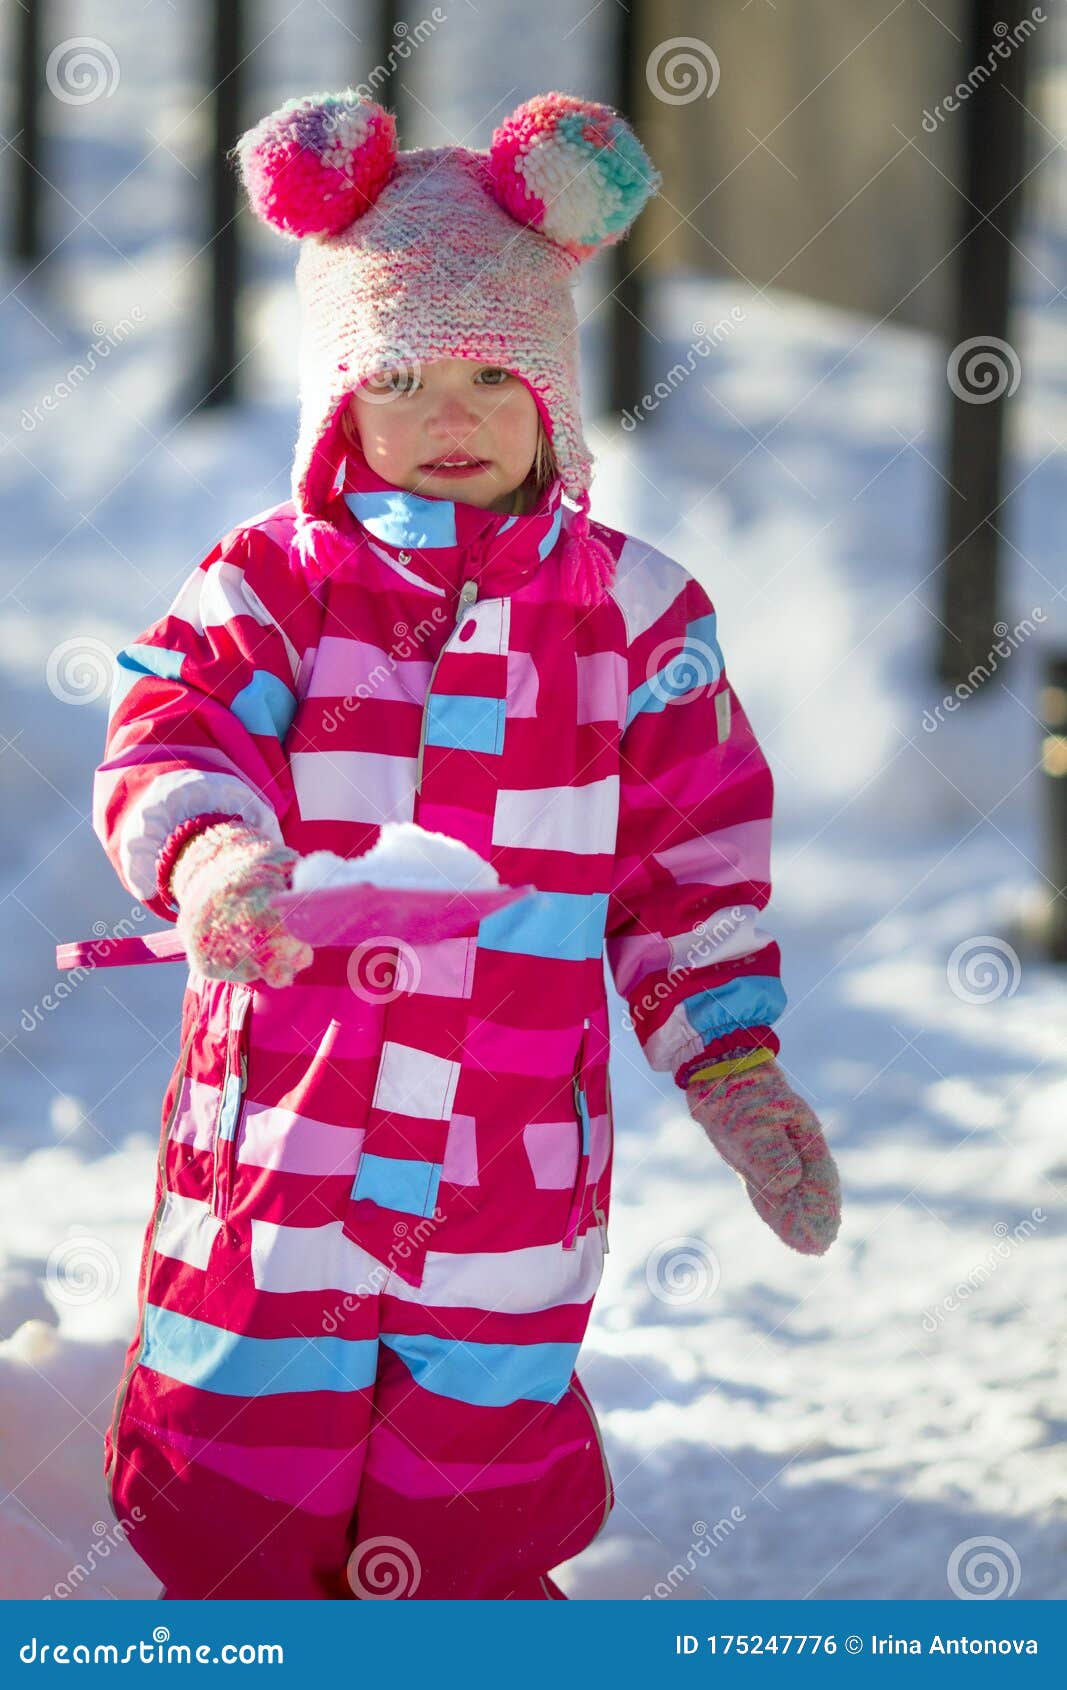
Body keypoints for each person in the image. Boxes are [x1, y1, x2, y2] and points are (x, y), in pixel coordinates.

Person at [87, 90, 841, 1601]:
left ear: (553, 394)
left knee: (472, 1475)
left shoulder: (638, 621)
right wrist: (217, 861)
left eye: (494, 375)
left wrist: (733, 1064)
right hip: (280, 1141)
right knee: (239, 1456)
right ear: (340, 400)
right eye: (405, 374)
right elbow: (173, 730)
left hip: (503, 1160)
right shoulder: (273, 586)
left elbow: (687, 868)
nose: (451, 418)